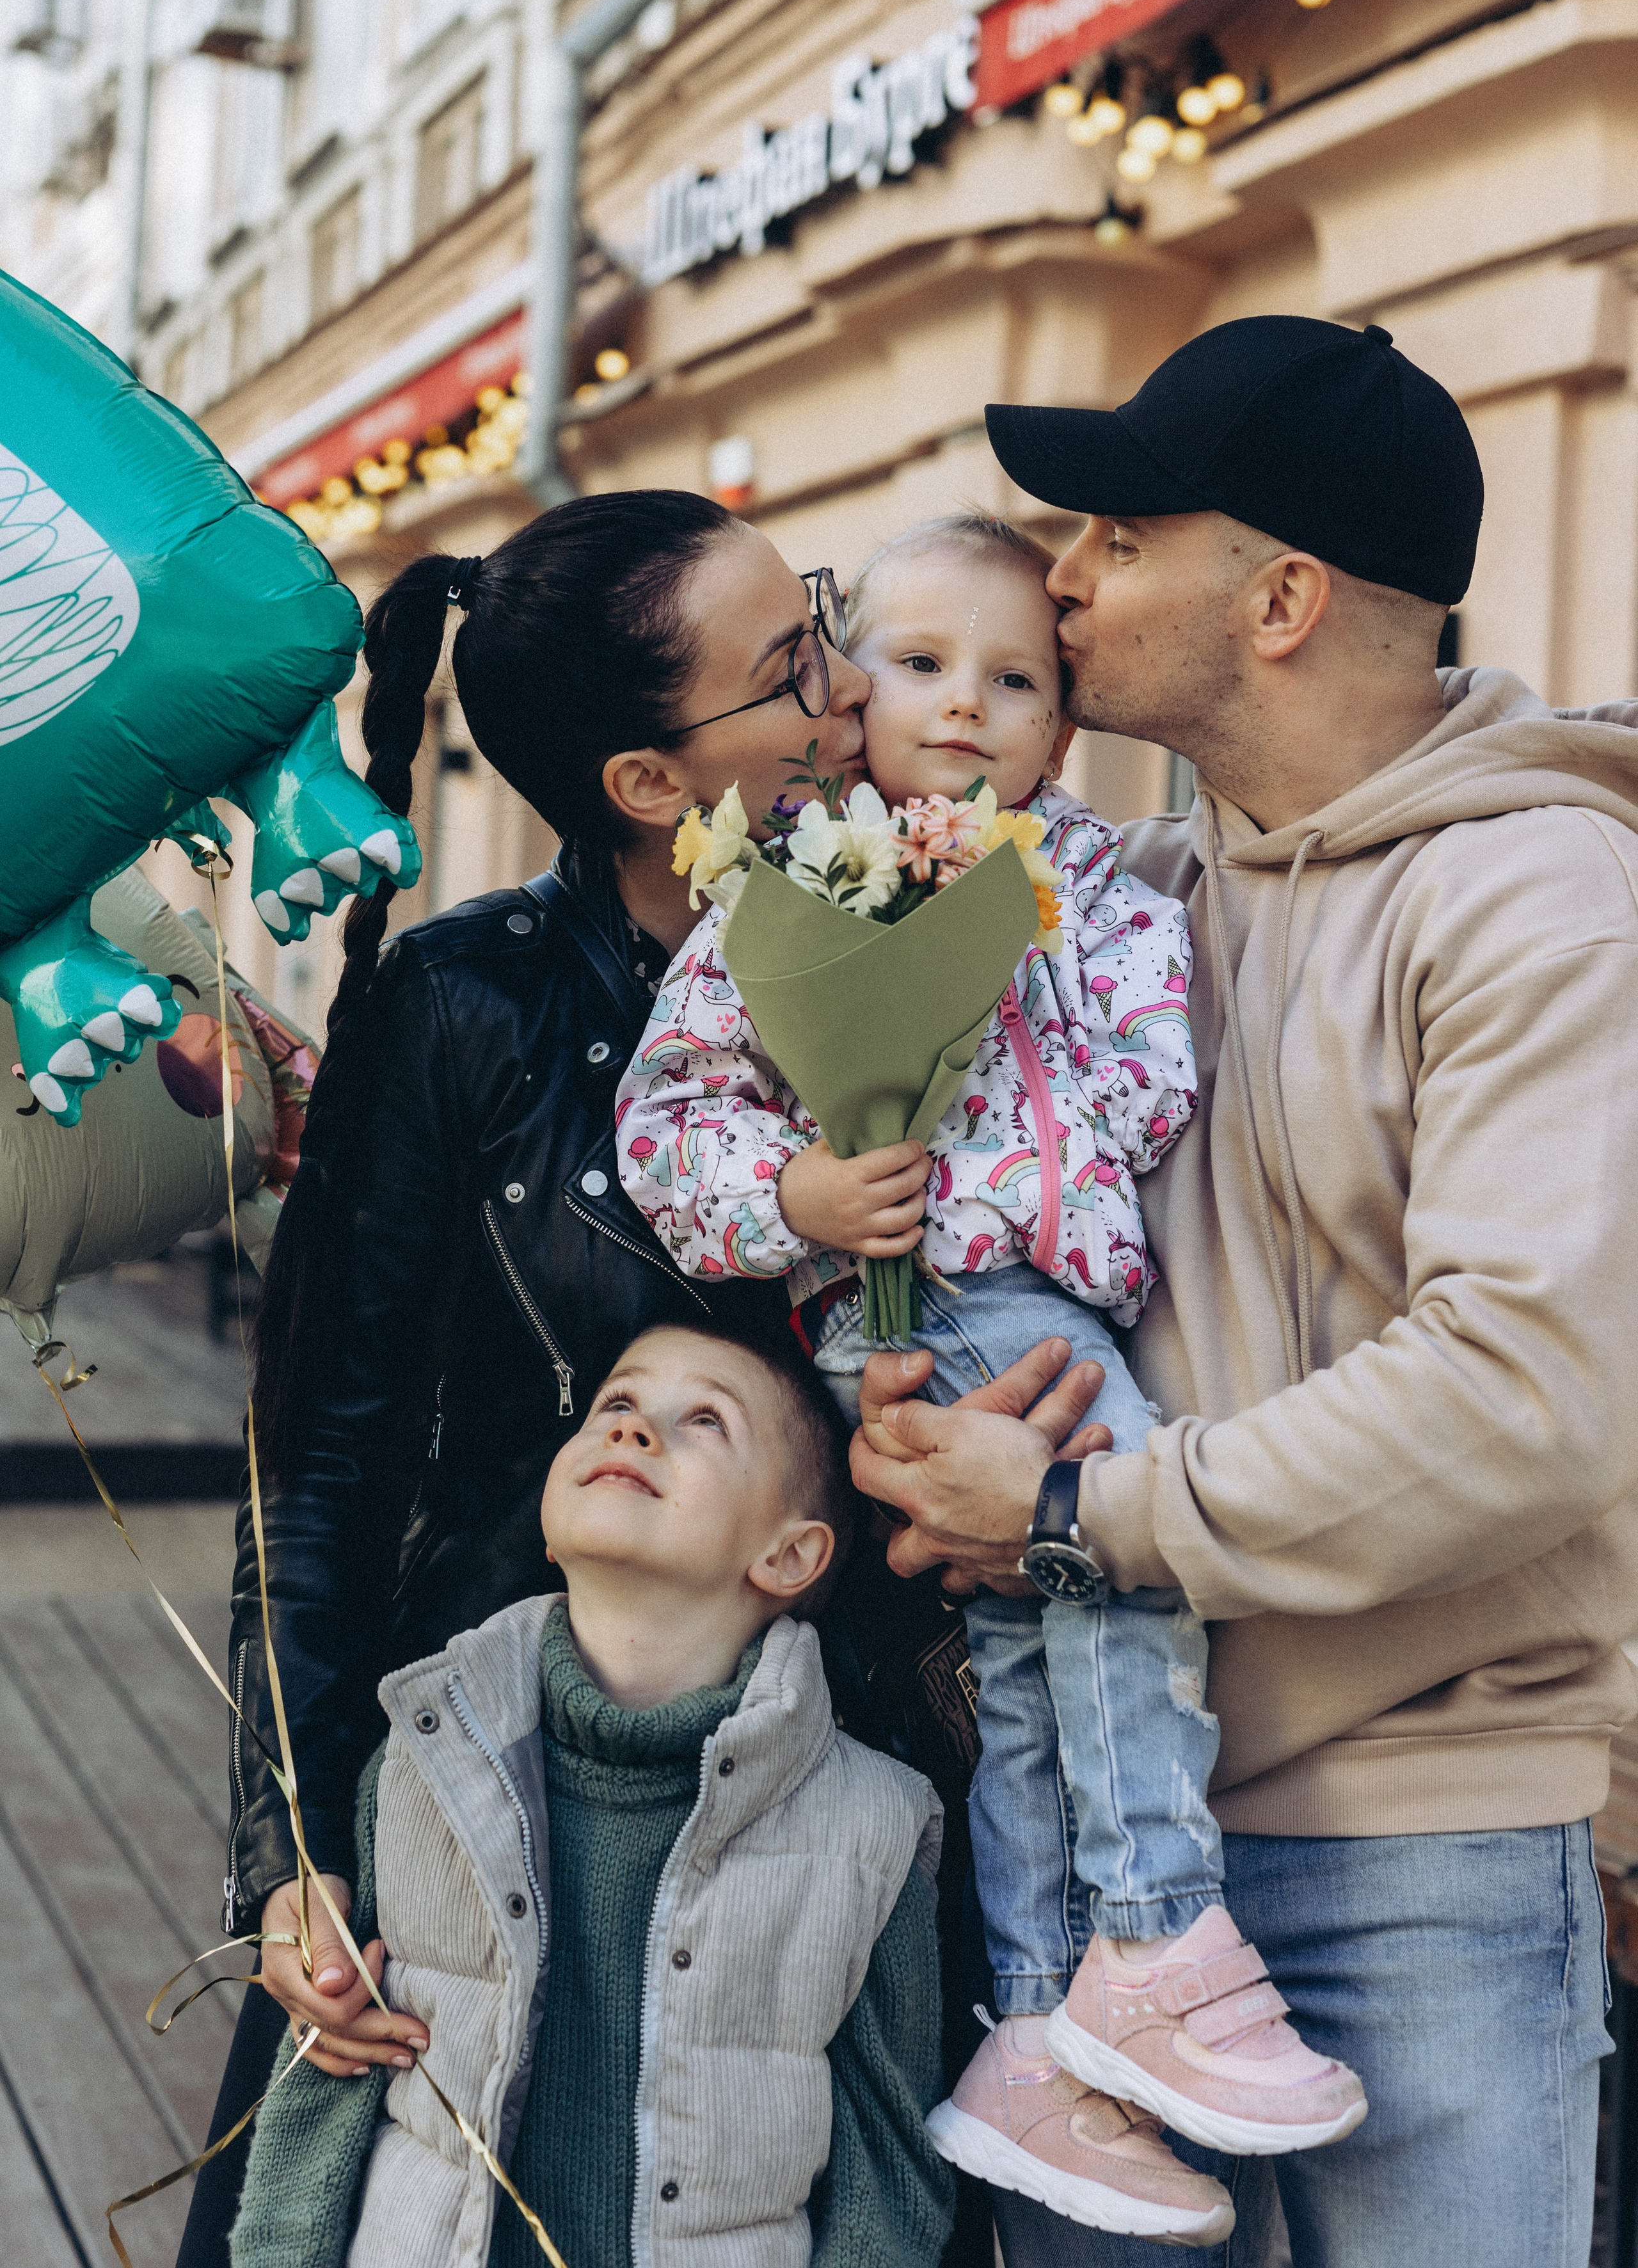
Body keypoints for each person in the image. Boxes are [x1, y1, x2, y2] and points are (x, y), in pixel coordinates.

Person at [850, 314, 1638, 2268]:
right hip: (1110, 1843)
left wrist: (1074, 1515)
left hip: (1427, 1838)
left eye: (1120, 528)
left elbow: (1525, 1388)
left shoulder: (1539, 896)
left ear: (1279, 596)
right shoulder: (1111, 903)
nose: (1066, 571)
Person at [618, 512, 1362, 2237]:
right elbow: (670, 1119)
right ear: (845, 695)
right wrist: (799, 1193)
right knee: (1112, 1553)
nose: (965, 708)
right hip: (921, 1297)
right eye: (924, 666)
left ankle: (1043, 2028)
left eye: (1015, 679)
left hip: (1048, 1281)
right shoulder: (781, 887)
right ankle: (1156, 1925)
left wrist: (1005, 970)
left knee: (1033, 1655)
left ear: (1064, 724)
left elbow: (1152, 1089)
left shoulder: (1097, 884)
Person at [177, 491, 879, 2265]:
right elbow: (323, 1458)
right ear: (652, 784)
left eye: (826, 623)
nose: (850, 687)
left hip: (838, 1790)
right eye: (795, 664)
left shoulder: (940, 939)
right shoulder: (461, 1005)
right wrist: (295, 1854)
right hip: (488, 1777)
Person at [228, 1323, 954, 2268]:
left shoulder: (875, 1829)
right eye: (615, 1402)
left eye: (703, 1420)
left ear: (789, 1555)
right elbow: (325, 2090)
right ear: (548, 1518)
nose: (635, 1430)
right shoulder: (419, 1763)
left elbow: (888, 2179)